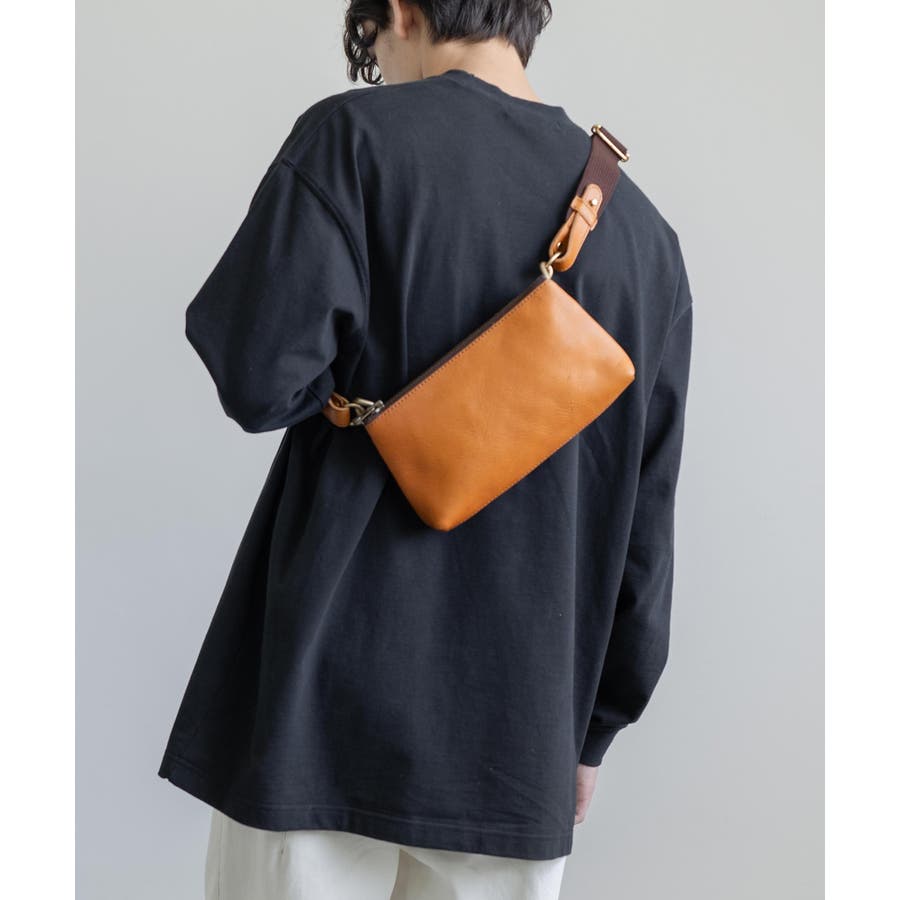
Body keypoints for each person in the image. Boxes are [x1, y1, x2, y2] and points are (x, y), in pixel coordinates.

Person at [157, 1, 694, 897]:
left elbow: (257, 379)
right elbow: (647, 533)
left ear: (399, 12)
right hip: (520, 745)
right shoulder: (648, 242)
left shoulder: (353, 142)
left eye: (373, 50)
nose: (382, 76)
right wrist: (591, 734)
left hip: (317, 722)